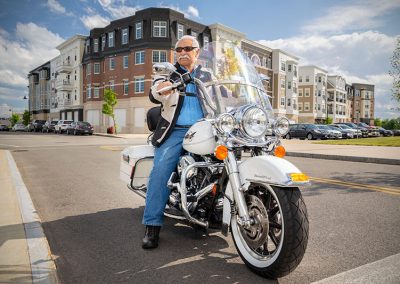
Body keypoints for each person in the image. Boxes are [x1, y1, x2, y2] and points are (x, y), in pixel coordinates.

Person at [142, 35, 206, 249]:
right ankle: (152, 226)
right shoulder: (169, 72)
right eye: (178, 49)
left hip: (206, 129)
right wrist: (165, 88)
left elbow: (226, 94)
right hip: (176, 131)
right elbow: (156, 91)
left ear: (197, 51)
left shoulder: (208, 75)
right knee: (160, 170)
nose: (182, 52)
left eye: (188, 48)